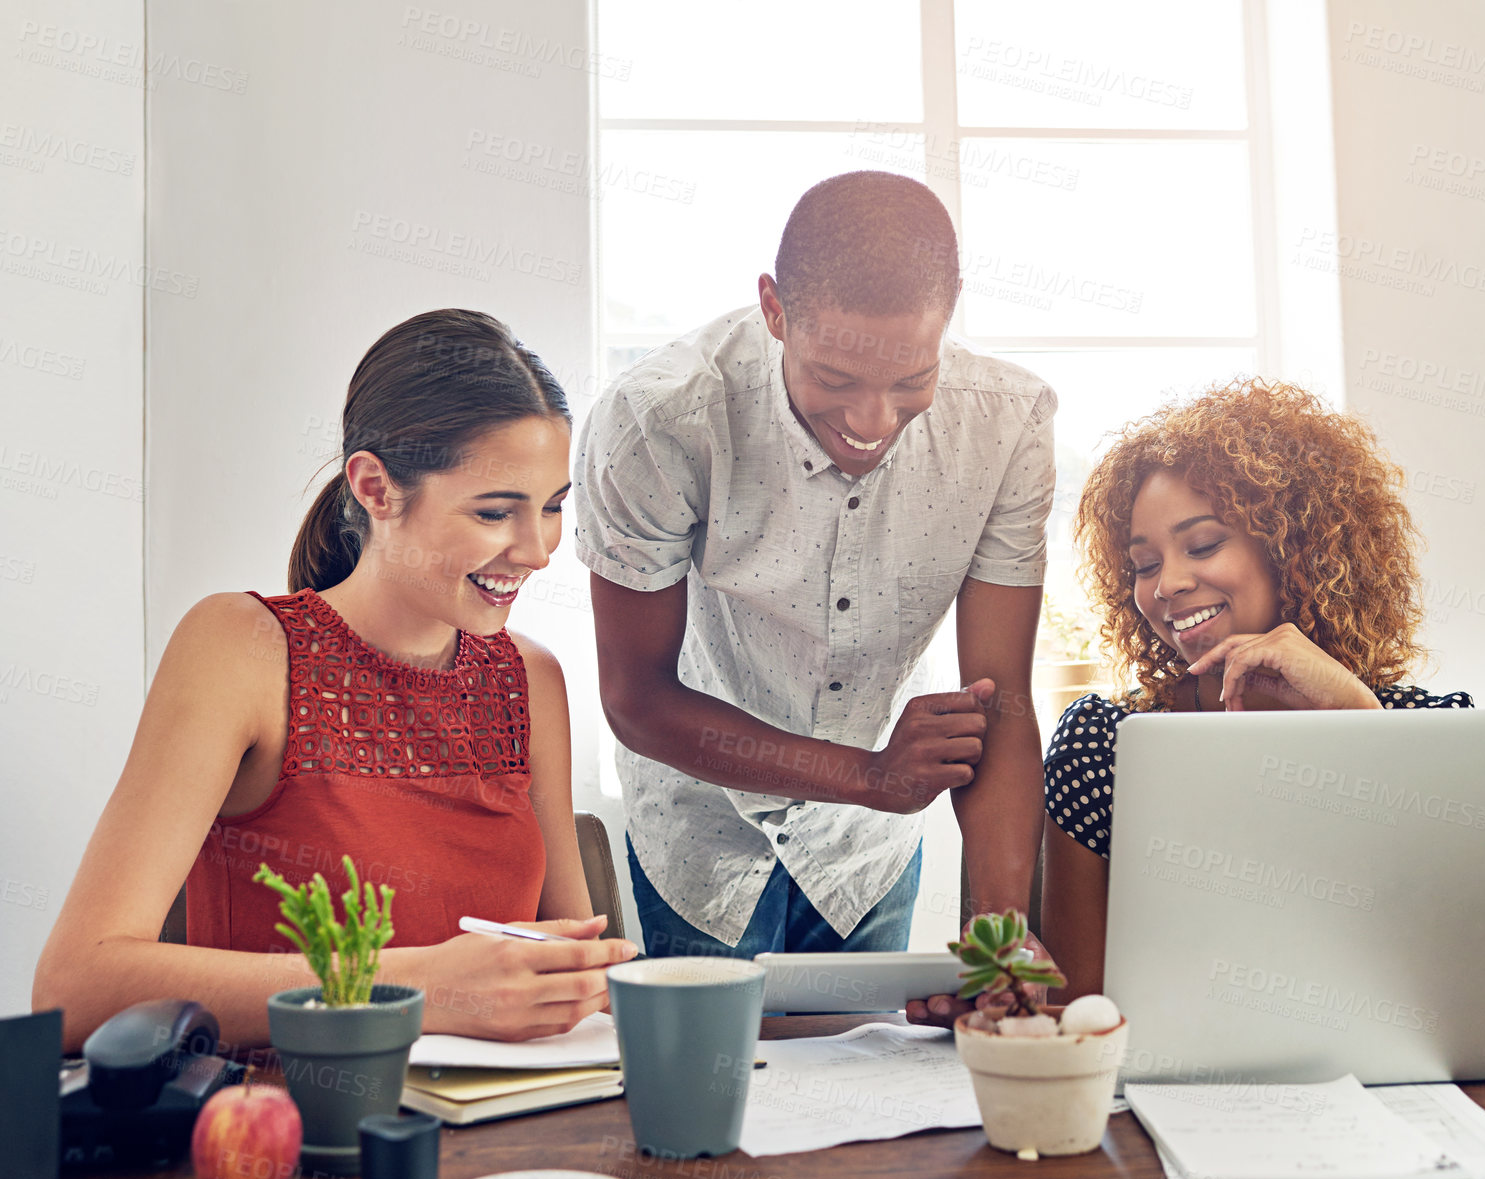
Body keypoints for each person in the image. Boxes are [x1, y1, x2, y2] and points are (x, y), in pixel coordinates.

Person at [34, 310, 636, 1052]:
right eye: (493, 512)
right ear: (375, 488)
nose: (538, 551)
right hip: (292, 1124)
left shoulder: (530, 679)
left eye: (551, 509)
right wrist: (422, 990)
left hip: (498, 1131)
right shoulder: (241, 648)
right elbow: (77, 987)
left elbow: (567, 968)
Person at [573, 172, 1057, 960]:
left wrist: (996, 934)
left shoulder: (1007, 425)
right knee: (714, 1082)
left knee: (862, 1072)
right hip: (701, 828)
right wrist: (870, 777)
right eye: (834, 379)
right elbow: (636, 698)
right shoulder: (658, 419)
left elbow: (997, 703)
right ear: (773, 309)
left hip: (866, 854)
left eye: (912, 381)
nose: (872, 423)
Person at [1039, 379, 1473, 1001]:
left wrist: (1354, 712)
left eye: (1203, 545)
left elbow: (1457, 963)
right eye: (1145, 564)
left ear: (1292, 548)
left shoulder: (1430, 733)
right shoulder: (1104, 742)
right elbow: (1076, 1006)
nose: (1168, 585)